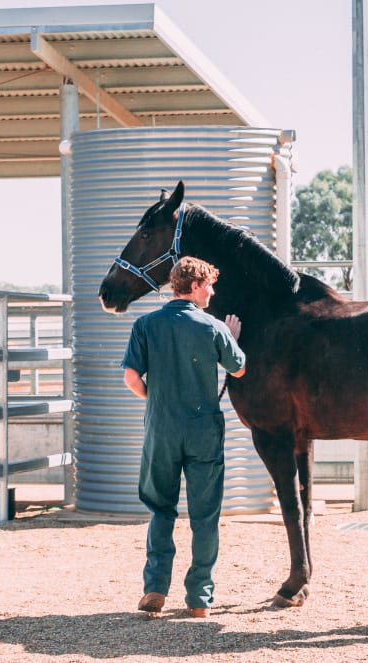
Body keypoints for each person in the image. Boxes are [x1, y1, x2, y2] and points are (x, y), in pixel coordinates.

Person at [121, 256, 246, 619]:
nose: (212, 291)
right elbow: (238, 368)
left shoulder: (145, 325)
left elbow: (131, 378)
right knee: (204, 516)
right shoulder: (212, 327)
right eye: (208, 284)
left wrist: (157, 399)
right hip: (203, 430)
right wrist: (231, 338)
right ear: (193, 286)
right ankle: (198, 599)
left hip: (161, 429)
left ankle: (156, 587)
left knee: (161, 508)